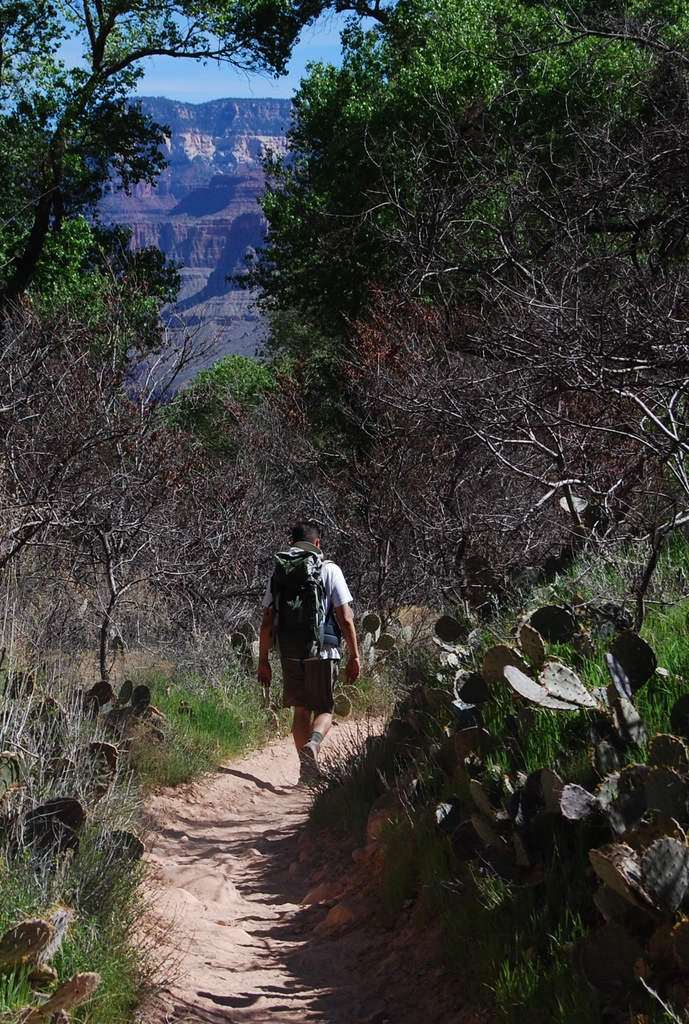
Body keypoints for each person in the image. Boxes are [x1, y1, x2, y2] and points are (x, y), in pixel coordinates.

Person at [257, 519, 360, 782]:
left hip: (290, 651)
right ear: (317, 543)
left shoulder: (279, 573)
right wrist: (355, 656)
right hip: (323, 651)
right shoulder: (330, 569)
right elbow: (345, 618)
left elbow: (267, 620)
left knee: (300, 711)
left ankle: (306, 774)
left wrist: (263, 661)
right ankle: (313, 744)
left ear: (290, 543)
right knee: (324, 709)